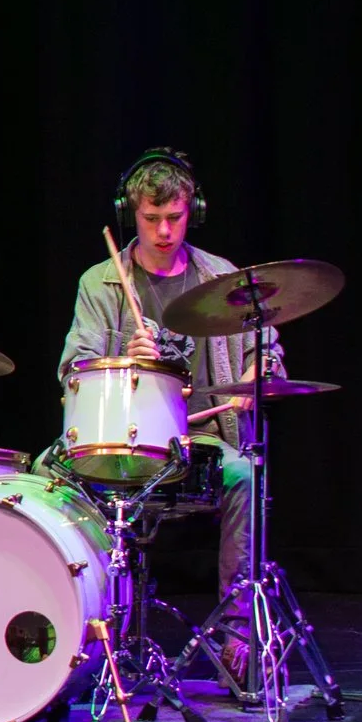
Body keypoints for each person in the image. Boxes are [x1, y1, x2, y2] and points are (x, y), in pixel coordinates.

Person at [57, 148, 279, 681]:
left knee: (246, 476)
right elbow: (72, 368)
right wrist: (120, 361)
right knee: (48, 477)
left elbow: (265, 351)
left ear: (193, 211)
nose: (163, 231)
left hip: (198, 441)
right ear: (129, 214)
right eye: (151, 218)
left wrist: (253, 379)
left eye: (174, 218)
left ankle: (238, 635)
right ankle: (79, 636)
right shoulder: (101, 282)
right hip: (119, 439)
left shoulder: (221, 278)